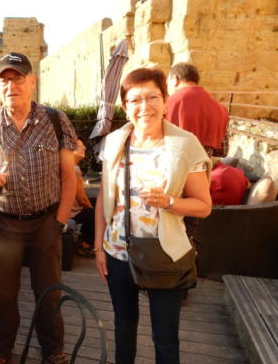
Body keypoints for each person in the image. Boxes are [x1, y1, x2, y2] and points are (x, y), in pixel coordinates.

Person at [0, 52, 77, 364]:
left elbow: (69, 176)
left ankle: (53, 351)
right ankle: (0, 353)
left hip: (45, 223)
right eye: (5, 79)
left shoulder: (55, 120)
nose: (11, 85)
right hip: (2, 226)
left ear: (32, 82)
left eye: (18, 78)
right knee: (3, 295)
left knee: (50, 294)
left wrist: (59, 222)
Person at [94, 68, 212, 364]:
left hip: (164, 255)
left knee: (165, 338)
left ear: (165, 100)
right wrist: (98, 246)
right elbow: (104, 201)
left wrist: (170, 201)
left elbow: (204, 206)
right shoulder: (114, 143)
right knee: (123, 327)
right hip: (118, 252)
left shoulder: (184, 145)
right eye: (135, 100)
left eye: (152, 97)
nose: (144, 107)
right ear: (125, 106)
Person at [166, 62, 229, 157]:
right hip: (202, 168)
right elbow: (223, 151)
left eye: (167, 83)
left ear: (175, 80)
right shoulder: (221, 109)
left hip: (171, 166)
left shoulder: (167, 103)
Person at [69, 138, 94, 257]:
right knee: (94, 214)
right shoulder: (74, 169)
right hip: (70, 213)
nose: (84, 147)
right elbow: (82, 199)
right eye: (80, 146)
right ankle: (85, 244)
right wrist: (92, 210)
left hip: (61, 210)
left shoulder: (63, 165)